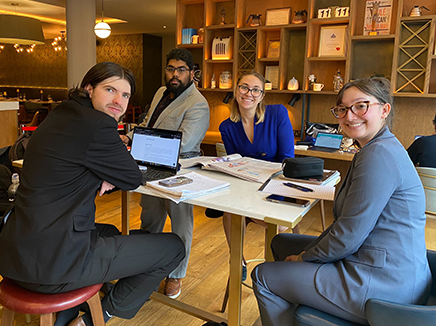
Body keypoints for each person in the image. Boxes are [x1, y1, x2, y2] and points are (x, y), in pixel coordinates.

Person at [0, 62, 185, 325]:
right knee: (174, 247)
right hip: (54, 266)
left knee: (110, 232)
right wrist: (107, 170)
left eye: (126, 95)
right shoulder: (98, 125)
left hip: (18, 252)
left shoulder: (62, 112)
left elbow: (75, 157)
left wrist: (102, 170)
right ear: (89, 88)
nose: (119, 101)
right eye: (110, 90)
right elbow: (131, 177)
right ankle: (96, 318)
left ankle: (86, 300)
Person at [251, 77, 431, 326]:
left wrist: (304, 259)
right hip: (389, 266)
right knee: (282, 242)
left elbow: (348, 235)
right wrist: (305, 255)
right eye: (343, 109)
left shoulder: (378, 155)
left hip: (384, 284)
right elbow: (348, 227)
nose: (350, 115)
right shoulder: (377, 148)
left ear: (384, 110)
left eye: (360, 106)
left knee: (263, 275)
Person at [122, 48, 210, 299]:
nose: (174, 74)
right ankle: (147, 266)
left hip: (180, 170)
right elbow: (148, 122)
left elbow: (183, 143)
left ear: (192, 74)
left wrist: (141, 144)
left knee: (180, 225)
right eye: (171, 68)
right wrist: (129, 136)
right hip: (149, 166)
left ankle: (176, 275)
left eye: (181, 70)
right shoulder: (161, 92)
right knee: (150, 217)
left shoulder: (198, 104)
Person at [211, 70, 294, 279]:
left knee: (279, 224)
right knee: (229, 211)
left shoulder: (278, 114)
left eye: (256, 89)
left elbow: (287, 159)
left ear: (262, 95)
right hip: (246, 186)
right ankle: (236, 258)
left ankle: (281, 274)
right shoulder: (227, 126)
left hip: (275, 185)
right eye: (244, 87)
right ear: (236, 90)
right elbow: (234, 164)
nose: (249, 93)